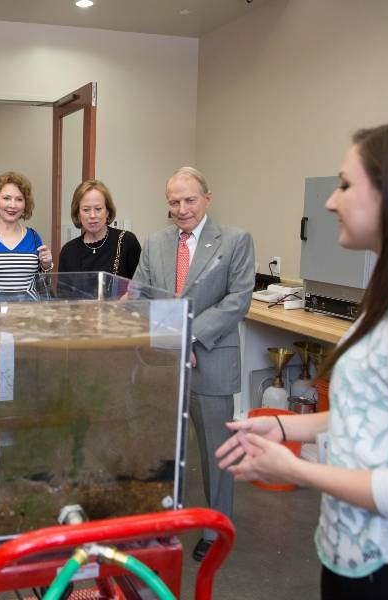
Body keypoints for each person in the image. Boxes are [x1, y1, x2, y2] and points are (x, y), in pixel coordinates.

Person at [216, 117, 388, 600]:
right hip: (355, 560)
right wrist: (290, 427)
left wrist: (295, 471)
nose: (331, 201)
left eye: (347, 186)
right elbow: (375, 414)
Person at [132, 166, 254, 561]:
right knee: (161, 444)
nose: (182, 209)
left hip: (211, 360)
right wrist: (171, 337)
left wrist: (191, 335)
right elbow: (141, 294)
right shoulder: (155, 243)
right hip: (164, 360)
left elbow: (237, 300)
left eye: (189, 200)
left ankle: (216, 528)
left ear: (207, 198)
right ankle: (163, 520)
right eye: (174, 202)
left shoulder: (234, 240)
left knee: (217, 450)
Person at [0, 171, 54, 299]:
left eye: (19, 199)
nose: (12, 205)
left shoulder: (33, 236)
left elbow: (43, 282)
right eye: (6, 198)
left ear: (25, 205)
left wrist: (46, 265)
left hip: (29, 316)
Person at [58, 179, 141, 278]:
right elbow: (63, 292)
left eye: (98, 209)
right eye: (86, 210)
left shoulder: (126, 241)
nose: (92, 215)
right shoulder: (68, 251)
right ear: (78, 214)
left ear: (107, 211)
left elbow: (141, 287)